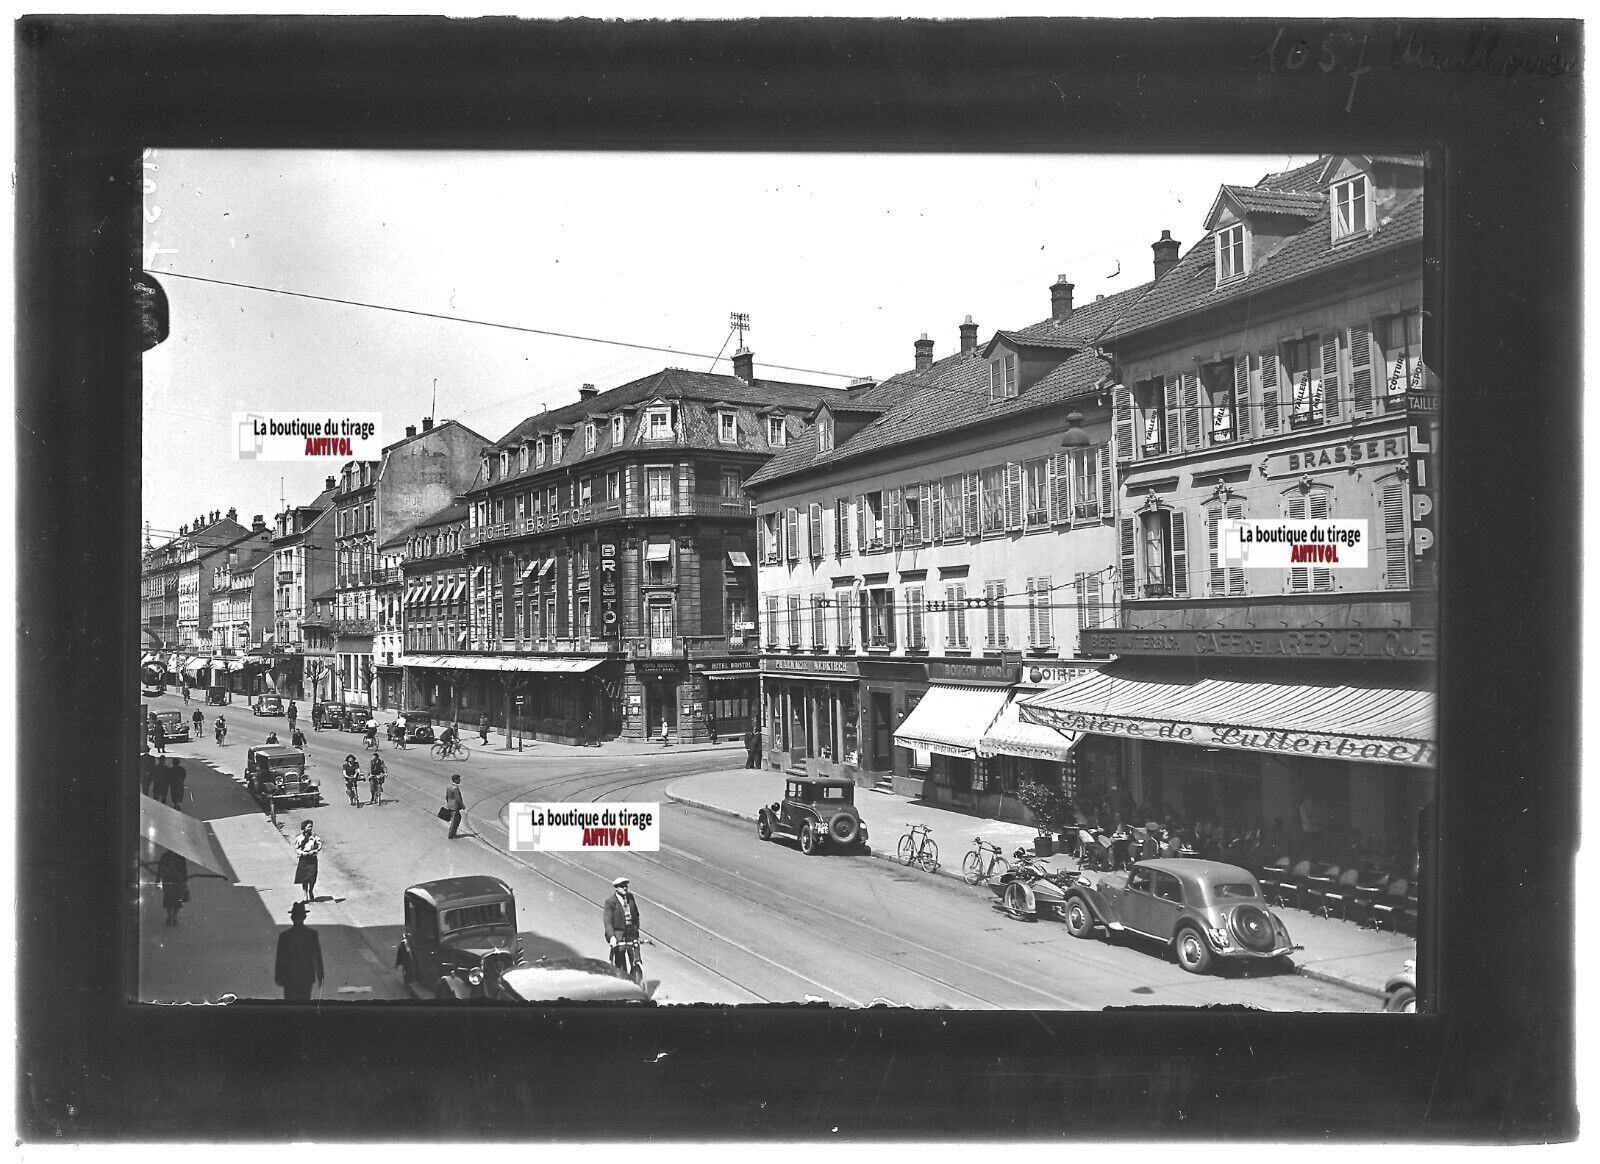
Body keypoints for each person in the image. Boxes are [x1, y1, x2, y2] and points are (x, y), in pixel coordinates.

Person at [274, 901, 324, 1001]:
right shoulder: (312, 934)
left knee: (290, 1005)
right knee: (305, 1004)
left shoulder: (284, 936)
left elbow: (280, 958)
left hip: (289, 977)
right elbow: (317, 957)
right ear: (304, 918)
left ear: (292, 918)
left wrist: (278, 977)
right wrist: (320, 976)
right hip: (306, 976)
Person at [603, 876, 642, 974]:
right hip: (618, 935)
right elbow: (608, 921)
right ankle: (622, 978)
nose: (625, 888)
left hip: (631, 934)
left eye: (626, 886)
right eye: (622, 886)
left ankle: (636, 978)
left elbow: (636, 914)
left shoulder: (630, 897)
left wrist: (636, 926)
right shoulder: (610, 902)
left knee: (635, 958)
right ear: (616, 888)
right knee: (620, 962)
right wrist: (612, 937)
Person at [155, 849, 189, 926]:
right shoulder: (165, 857)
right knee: (168, 898)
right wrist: (158, 880)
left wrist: (185, 881)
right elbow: (160, 869)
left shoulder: (181, 857)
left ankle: (174, 917)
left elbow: (184, 870)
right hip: (168, 881)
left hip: (178, 881)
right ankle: (170, 916)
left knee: (176, 899)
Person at [293, 821, 322, 902]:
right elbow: (296, 849)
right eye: (309, 827)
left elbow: (319, 845)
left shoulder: (315, 837)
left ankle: (311, 890)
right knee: (304, 878)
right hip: (304, 859)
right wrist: (303, 853)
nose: (310, 828)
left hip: (312, 859)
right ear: (304, 828)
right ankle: (305, 895)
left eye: (311, 826)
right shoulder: (299, 838)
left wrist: (315, 851)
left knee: (312, 877)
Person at [444, 773, 465, 839]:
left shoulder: (449, 786)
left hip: (450, 805)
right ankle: (451, 835)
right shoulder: (455, 788)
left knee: (458, 818)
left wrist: (448, 803)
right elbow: (458, 799)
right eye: (459, 779)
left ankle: (453, 832)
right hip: (454, 807)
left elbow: (446, 796)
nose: (460, 780)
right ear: (455, 780)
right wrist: (462, 805)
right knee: (454, 821)